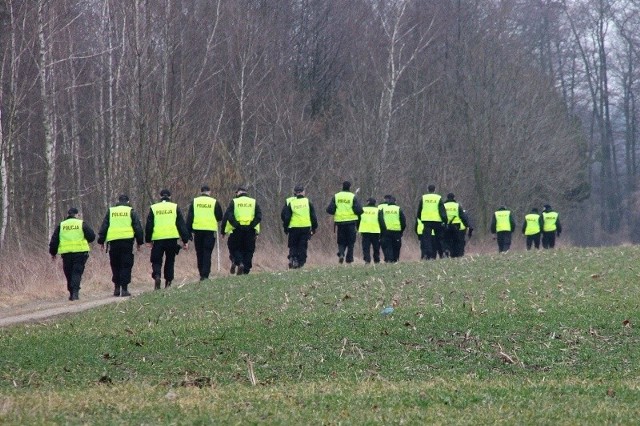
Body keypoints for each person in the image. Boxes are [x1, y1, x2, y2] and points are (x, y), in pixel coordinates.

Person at [97, 194, 144, 297]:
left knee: (115, 265)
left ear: (118, 201)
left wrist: (101, 241)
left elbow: (104, 226)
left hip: (113, 242)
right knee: (126, 265)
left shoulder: (111, 211)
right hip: (127, 242)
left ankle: (117, 288)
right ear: (127, 202)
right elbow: (137, 227)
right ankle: (125, 289)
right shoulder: (131, 211)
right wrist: (140, 242)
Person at [145, 189, 190, 289]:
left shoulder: (154, 208)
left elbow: (149, 225)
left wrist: (148, 240)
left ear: (160, 196)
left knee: (156, 260)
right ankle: (168, 282)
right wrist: (185, 240)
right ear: (170, 197)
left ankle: (157, 275)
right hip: (171, 238)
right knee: (170, 260)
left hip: (158, 239)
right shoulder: (174, 207)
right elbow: (181, 225)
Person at [49, 207, 96, 301]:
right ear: (76, 214)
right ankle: (75, 293)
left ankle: (71, 293)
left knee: (69, 273)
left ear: (68, 214)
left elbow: (54, 240)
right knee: (77, 272)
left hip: (66, 254)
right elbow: (91, 236)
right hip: (80, 252)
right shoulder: (81, 223)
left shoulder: (61, 225)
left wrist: (53, 252)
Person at [186, 185, 224, 281]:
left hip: (197, 231)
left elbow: (190, 218)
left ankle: (201, 272)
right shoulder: (214, 202)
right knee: (207, 252)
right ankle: (205, 274)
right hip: (209, 231)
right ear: (209, 192)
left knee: (199, 252)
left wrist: (188, 232)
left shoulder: (195, 202)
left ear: (201, 191)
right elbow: (220, 216)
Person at [224, 186, 262, 274]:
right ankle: (246, 270)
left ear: (238, 192)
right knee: (249, 250)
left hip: (237, 230)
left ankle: (239, 262)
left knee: (234, 248)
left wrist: (235, 224)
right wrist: (252, 225)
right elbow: (259, 215)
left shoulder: (234, 202)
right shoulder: (253, 202)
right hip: (250, 230)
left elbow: (228, 215)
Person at [326, 181, 363, 264]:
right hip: (351, 223)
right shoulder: (352, 196)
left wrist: (336, 212)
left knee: (341, 241)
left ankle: (341, 253)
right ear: (350, 187)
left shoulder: (336, 196)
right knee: (351, 241)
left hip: (340, 223)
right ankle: (349, 259)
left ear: (342, 187)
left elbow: (329, 210)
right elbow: (359, 210)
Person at [281, 185, 318, 268]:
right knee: (302, 246)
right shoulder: (307, 202)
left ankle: (292, 258)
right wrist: (314, 227)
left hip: (293, 228)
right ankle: (300, 263)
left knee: (293, 245)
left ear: (295, 193)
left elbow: (287, 217)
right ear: (303, 192)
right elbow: (313, 216)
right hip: (305, 228)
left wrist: (285, 228)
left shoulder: (292, 203)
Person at [416, 184, 447, 260]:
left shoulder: (423, 198)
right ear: (435, 189)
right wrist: (444, 220)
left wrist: (420, 218)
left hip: (426, 221)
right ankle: (441, 254)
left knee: (427, 239)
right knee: (439, 238)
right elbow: (442, 211)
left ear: (427, 189)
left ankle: (428, 254)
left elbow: (419, 210)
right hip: (437, 221)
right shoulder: (438, 198)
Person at [443, 193, 472, 258]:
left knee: (446, 240)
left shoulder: (443, 205)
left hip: (446, 226)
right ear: (454, 198)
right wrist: (467, 225)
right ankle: (455, 255)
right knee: (456, 241)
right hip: (456, 226)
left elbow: (441, 215)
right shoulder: (457, 206)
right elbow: (462, 217)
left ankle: (446, 250)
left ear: (447, 198)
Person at [378, 195, 406, 263]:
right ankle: (395, 260)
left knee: (387, 247)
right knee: (396, 247)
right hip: (396, 232)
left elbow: (380, 220)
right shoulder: (398, 209)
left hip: (386, 232)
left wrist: (383, 230)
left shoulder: (383, 209)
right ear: (395, 201)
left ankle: (389, 260)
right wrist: (401, 231)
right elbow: (403, 222)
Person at [358, 197, 381, 264]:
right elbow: (381, 221)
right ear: (375, 203)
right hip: (375, 231)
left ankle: (367, 260)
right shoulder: (378, 210)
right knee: (376, 247)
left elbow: (358, 220)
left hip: (365, 231)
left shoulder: (362, 209)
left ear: (368, 202)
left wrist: (358, 228)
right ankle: (376, 260)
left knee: (366, 247)